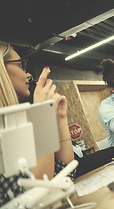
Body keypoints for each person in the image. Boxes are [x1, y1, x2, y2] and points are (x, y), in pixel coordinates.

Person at [0, 41, 74, 206]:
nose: (28, 74)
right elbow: (33, 196)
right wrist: (43, 114)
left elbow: (65, 174)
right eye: (20, 65)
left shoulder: (16, 124)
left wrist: (60, 117)